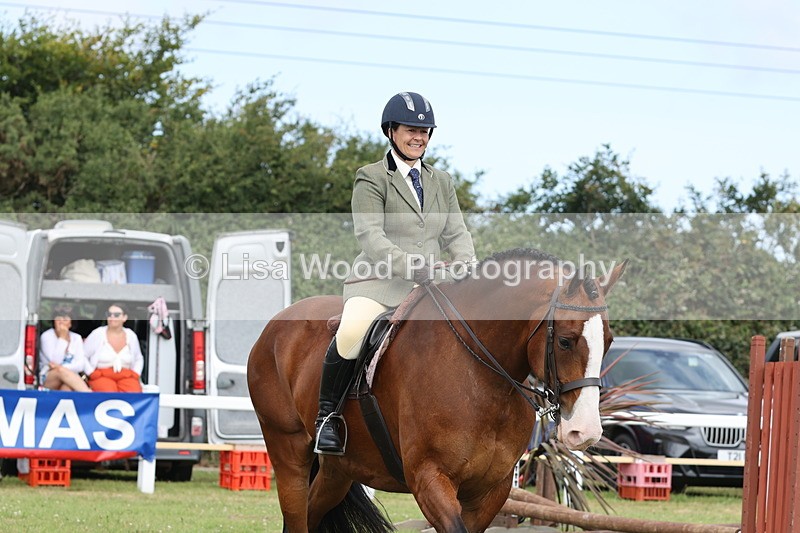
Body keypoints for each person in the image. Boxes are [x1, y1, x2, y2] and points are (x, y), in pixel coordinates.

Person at [314, 91, 476, 455]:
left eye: (425, 131)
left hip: (433, 287)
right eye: (411, 129)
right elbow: (371, 237)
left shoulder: (442, 182)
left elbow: (457, 232)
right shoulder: (371, 177)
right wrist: (414, 267)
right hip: (378, 285)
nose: (419, 137)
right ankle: (328, 418)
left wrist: (467, 264)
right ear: (391, 131)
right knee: (352, 332)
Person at [84, 303, 144, 392]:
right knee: (107, 393)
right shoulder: (97, 333)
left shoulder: (131, 335)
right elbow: (82, 355)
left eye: (116, 315)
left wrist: (136, 374)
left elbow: (139, 358)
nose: (112, 317)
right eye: (109, 314)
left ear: (124, 317)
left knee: (134, 393)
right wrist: (91, 373)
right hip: (101, 376)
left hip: (126, 376)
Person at [38, 305, 91, 392]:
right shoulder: (47, 336)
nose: (61, 322)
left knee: (67, 387)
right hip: (48, 377)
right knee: (60, 371)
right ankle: (90, 396)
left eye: (65, 319)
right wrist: (62, 338)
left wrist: (60, 367)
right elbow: (55, 361)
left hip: (71, 378)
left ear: (71, 323)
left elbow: (80, 365)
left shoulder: (76, 338)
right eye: (58, 318)